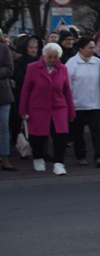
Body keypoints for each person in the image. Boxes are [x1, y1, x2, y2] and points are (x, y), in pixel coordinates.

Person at [19, 43, 75, 175]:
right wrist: (23, 110)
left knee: (60, 137)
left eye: (55, 57)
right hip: (38, 108)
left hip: (59, 107)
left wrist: (71, 111)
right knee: (38, 138)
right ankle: (38, 157)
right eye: (50, 57)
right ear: (44, 56)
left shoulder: (62, 69)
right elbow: (26, 90)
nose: (52, 60)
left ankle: (59, 163)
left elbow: (67, 91)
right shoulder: (32, 68)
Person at [66, 37, 100, 167]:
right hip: (78, 103)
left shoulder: (97, 62)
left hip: (94, 103)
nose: (92, 50)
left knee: (96, 130)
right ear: (81, 48)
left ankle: (98, 155)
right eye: (89, 47)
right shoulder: (72, 63)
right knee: (78, 132)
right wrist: (70, 102)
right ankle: (81, 155)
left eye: (93, 47)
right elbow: (68, 85)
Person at [10, 35, 41, 156]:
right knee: (20, 123)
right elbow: (19, 78)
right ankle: (21, 146)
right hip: (22, 95)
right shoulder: (19, 62)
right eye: (31, 47)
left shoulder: (40, 60)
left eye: (35, 47)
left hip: (38, 96)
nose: (33, 50)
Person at [0, 39, 14, 171]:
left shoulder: (3, 48)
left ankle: (5, 157)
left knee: (4, 127)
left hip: (3, 95)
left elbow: (9, 69)